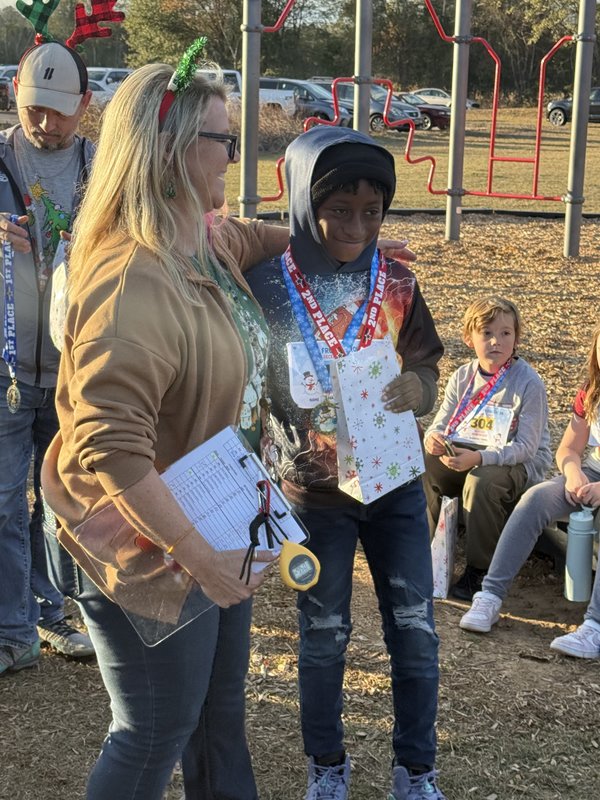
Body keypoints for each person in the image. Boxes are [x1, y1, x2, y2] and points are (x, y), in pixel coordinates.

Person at [39, 56, 286, 798]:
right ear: (175, 150)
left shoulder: (198, 241)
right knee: (151, 734)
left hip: (211, 520)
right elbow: (110, 448)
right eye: (226, 141)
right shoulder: (130, 279)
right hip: (144, 544)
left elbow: (247, 238)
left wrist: (333, 243)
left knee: (217, 717)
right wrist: (197, 555)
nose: (236, 157)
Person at [246, 126, 447, 800]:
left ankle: (416, 774)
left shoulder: (397, 282)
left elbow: (425, 366)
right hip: (316, 499)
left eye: (372, 211)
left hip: (393, 486)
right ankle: (327, 768)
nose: (356, 226)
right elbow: (250, 388)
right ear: (304, 203)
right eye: (337, 210)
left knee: (416, 632)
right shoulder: (264, 286)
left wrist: (418, 390)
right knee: (324, 636)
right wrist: (284, 449)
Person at [0, 39, 97, 675]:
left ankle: (50, 608)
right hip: (5, 374)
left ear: (84, 105)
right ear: (16, 96)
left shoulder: (103, 168)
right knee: (4, 501)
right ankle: (13, 632)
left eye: (59, 110)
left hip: (73, 372)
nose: (45, 122)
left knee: (60, 499)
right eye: (35, 107)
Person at [460, 322, 600, 659]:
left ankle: (594, 628)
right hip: (590, 472)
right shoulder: (591, 390)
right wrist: (572, 473)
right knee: (535, 498)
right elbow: (568, 449)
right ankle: (489, 598)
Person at [422, 296, 552, 601]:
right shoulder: (462, 376)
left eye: (506, 333)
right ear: (469, 338)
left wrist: (480, 458)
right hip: (468, 452)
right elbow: (440, 423)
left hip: (514, 463)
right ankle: (425, 553)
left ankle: (480, 571)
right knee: (425, 462)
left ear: (517, 338)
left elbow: (527, 448)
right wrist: (434, 439)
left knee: (481, 481)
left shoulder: (528, 383)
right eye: (487, 333)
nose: (497, 341)